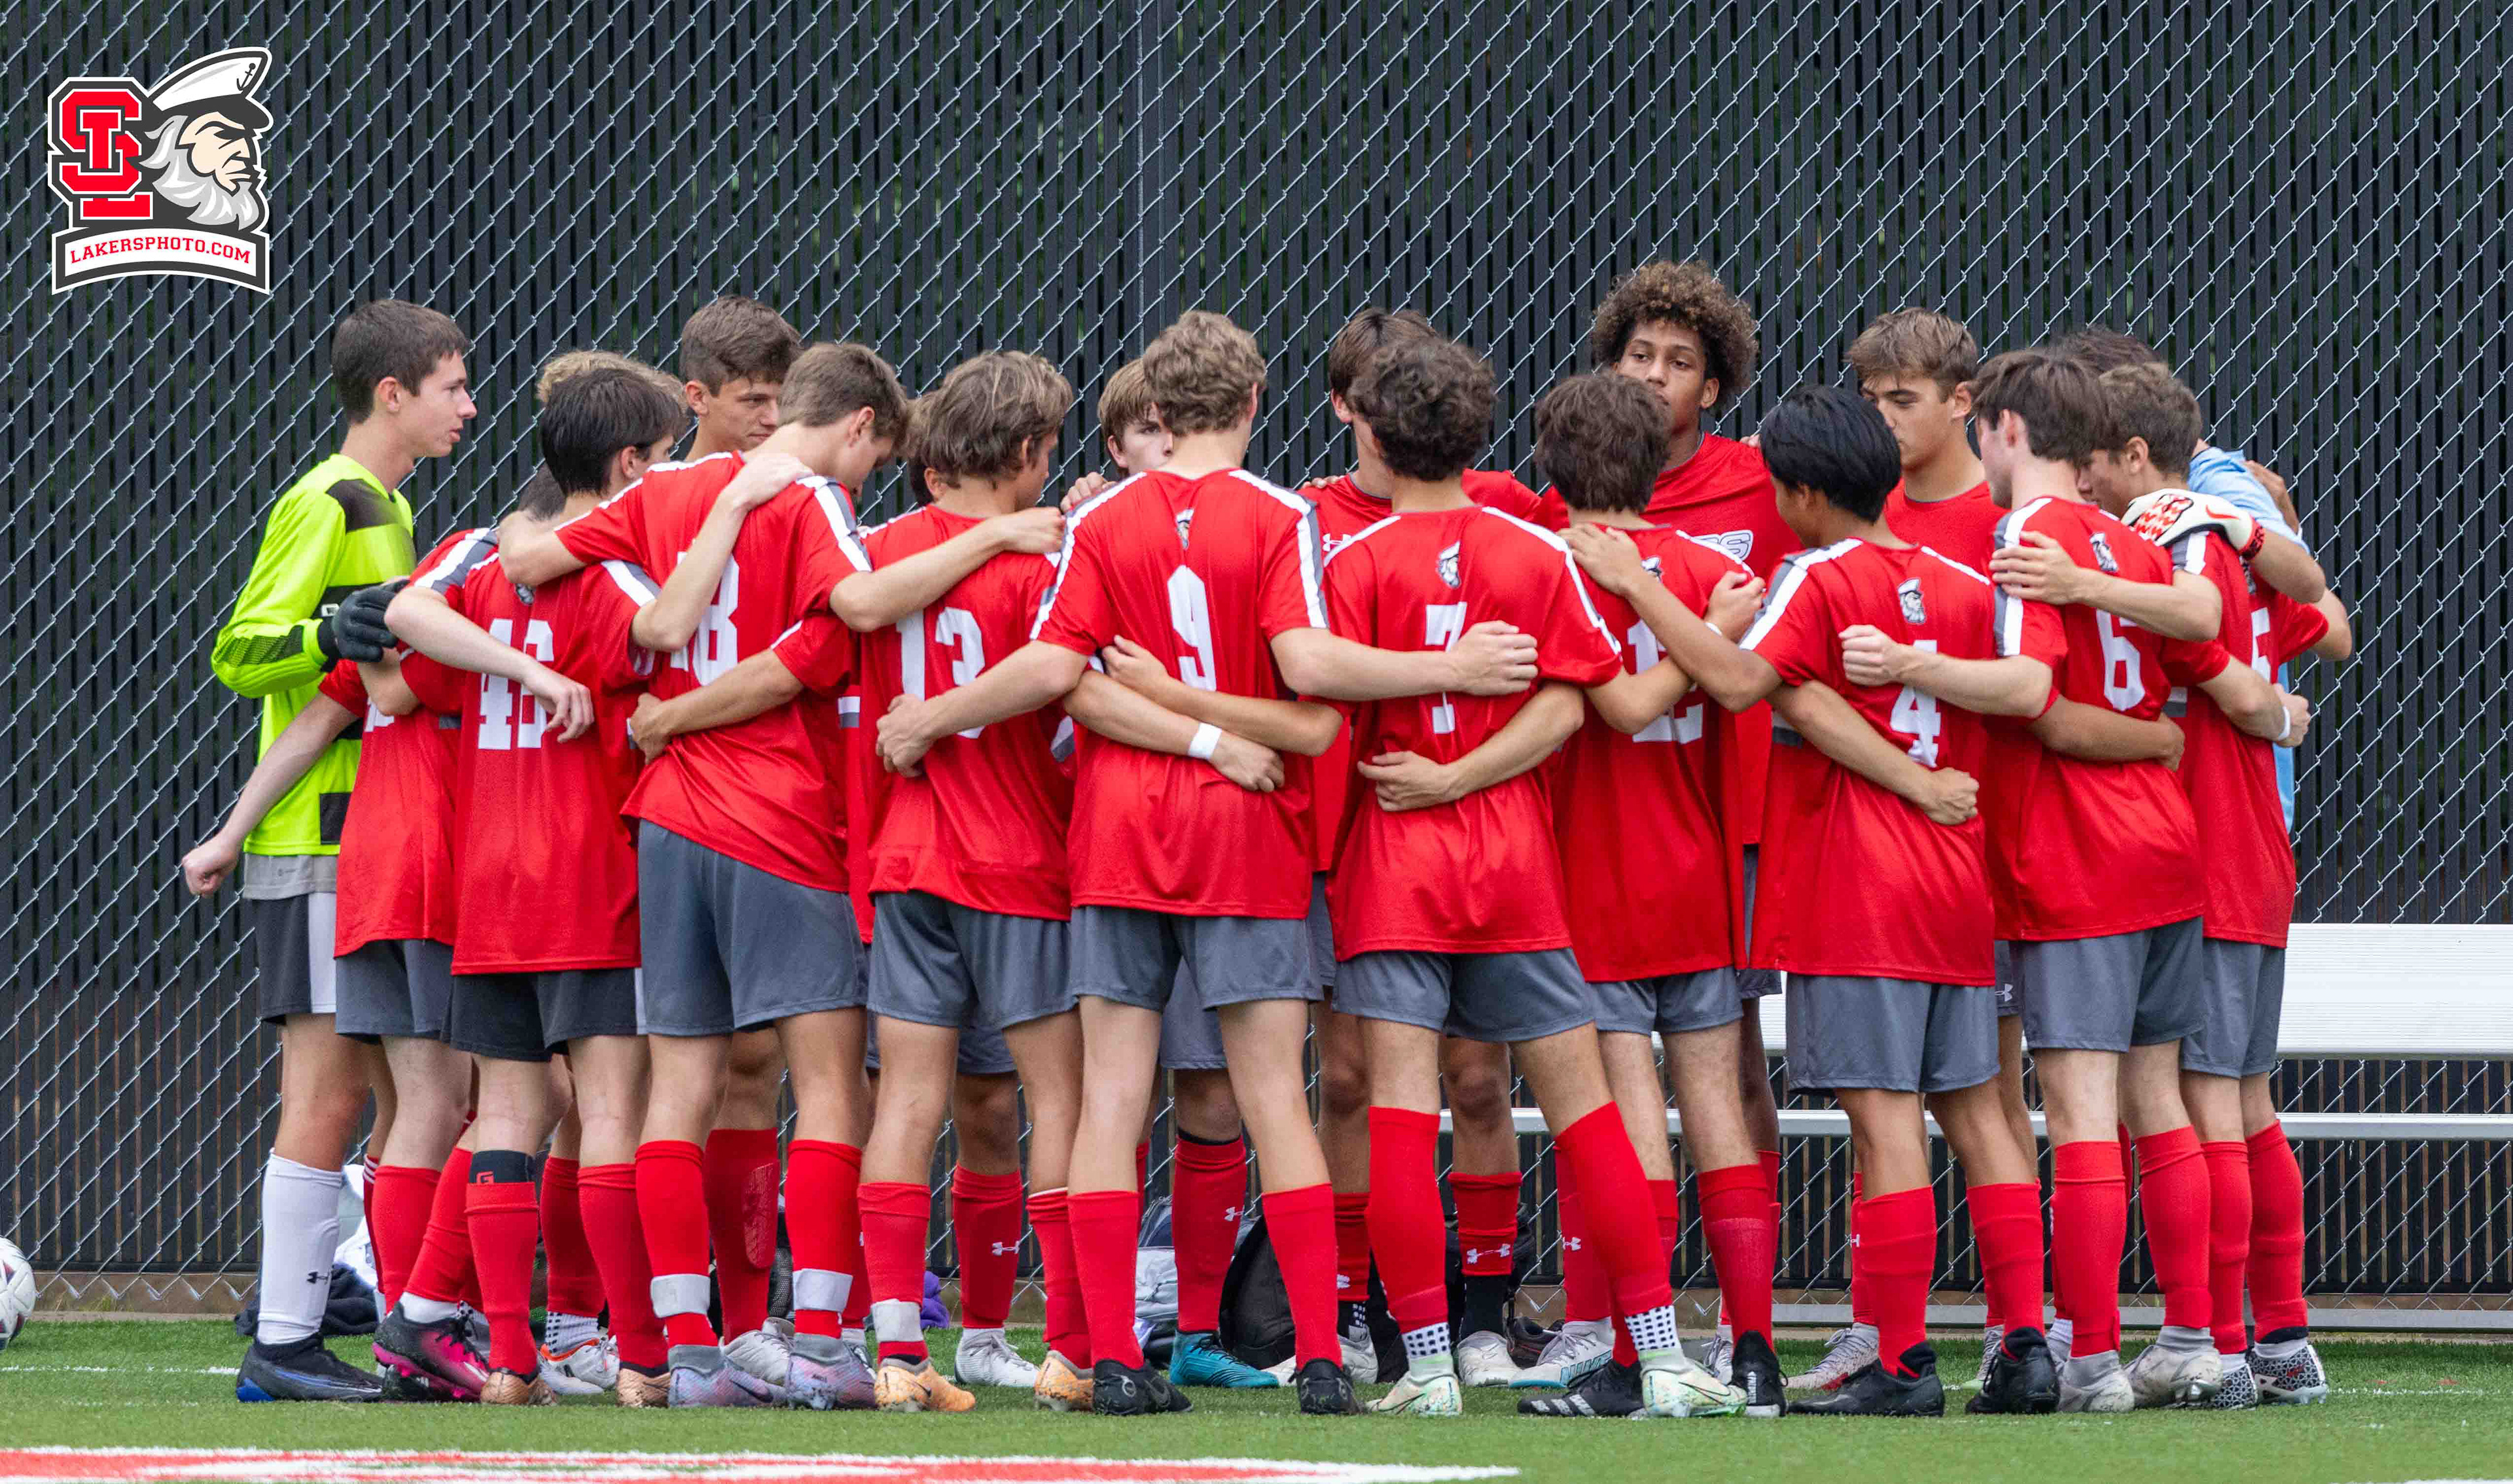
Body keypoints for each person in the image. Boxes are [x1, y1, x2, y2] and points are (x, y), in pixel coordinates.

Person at [875, 311, 1539, 1417]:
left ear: (1156, 409)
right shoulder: (1283, 517)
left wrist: (948, 716)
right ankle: (1320, 1357)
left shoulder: (1101, 522)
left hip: (1118, 838)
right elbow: (1310, 693)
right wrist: (1413, 679)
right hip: (1246, 837)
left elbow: (1063, 673)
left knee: (1110, 1098)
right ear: (1252, 402)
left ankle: (1108, 1359)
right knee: (1277, 1094)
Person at [1313, 335, 1740, 1422]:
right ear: (1480, 435)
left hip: (1396, 861)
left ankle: (1426, 1369)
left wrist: (1433, 771)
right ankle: (1661, 1356)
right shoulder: (1533, 552)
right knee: (1587, 1114)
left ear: (1373, 432)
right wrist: (1471, 776)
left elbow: (1319, 693)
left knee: (1400, 1116)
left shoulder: (1351, 564)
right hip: (1511, 859)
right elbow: (1572, 700)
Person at [378, 366, 695, 1405]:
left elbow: (405, 613)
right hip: (591, 878)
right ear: (632, 465)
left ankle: (512, 1360)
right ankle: (642, 1355)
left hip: (493, 882)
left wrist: (512, 667)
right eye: (668, 458)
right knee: (609, 1113)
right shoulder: (620, 578)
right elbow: (668, 656)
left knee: (508, 1116)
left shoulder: (476, 553)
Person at [209, 299, 473, 1404]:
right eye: (453, 387)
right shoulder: (332, 497)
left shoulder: (394, 507)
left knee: (413, 1093)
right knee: (327, 1095)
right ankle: (283, 1343)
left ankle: (400, 1317)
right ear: (391, 395)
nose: (470, 407)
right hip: (316, 840)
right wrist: (329, 631)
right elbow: (240, 650)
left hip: (371, 842)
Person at [2081, 362, 2347, 1407]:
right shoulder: (2225, 543)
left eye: (2094, 459)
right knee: (2243, 1098)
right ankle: (2278, 1338)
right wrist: (2255, 538)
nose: (2084, 479)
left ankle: (2225, 1345)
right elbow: (2325, 619)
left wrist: (2257, 701)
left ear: (2133, 455)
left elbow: (2218, 661)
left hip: (2203, 848)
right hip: (2257, 849)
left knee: (2205, 1103)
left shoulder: (2166, 550)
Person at [1516, 372, 1779, 1417]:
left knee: (1632, 1119)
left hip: (1592, 880)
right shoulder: (1715, 572)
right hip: (1699, 873)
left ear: (1552, 466)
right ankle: (1753, 1350)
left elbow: (1611, 709)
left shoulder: (1544, 567)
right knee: (1716, 1106)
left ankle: (1642, 1356)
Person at [846, 354, 1090, 1413]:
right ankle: (1073, 1351)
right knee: (1061, 1096)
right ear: (1029, 451)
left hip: (905, 855)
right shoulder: (1043, 559)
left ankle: (900, 1352)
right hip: (1017, 855)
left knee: (907, 1100)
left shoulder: (882, 549)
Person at [1585, 262, 1792, 1379]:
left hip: (1719, 823)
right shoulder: (1560, 514)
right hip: (1682, 840)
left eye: (1679, 362)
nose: (1655, 377)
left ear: (1714, 388)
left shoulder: (1759, 486)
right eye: (1639, 356)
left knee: (1689, 1086)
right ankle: (1727, 1342)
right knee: (1706, 1083)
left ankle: (1655, 1344)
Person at [1084, 365, 1287, 1392]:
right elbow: (1075, 686)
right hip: (1132, 841)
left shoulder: (1257, 522)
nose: (1160, 452)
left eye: (1168, 431)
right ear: (1117, 446)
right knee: (1113, 1098)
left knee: (1208, 1093)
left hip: (1198, 841)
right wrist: (1210, 735)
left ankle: (1191, 1333)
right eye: (1140, 435)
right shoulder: (1093, 532)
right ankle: (1101, 1334)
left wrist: (1186, 717)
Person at [674, 294, 809, 1382]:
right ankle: (626, 1323)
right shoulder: (647, 494)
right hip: (665, 807)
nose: (769, 420)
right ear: (696, 398)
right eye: (752, 400)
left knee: (754, 1061)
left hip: (764, 809)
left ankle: (744, 1314)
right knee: (643, 1079)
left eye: (781, 400)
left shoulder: (801, 500)